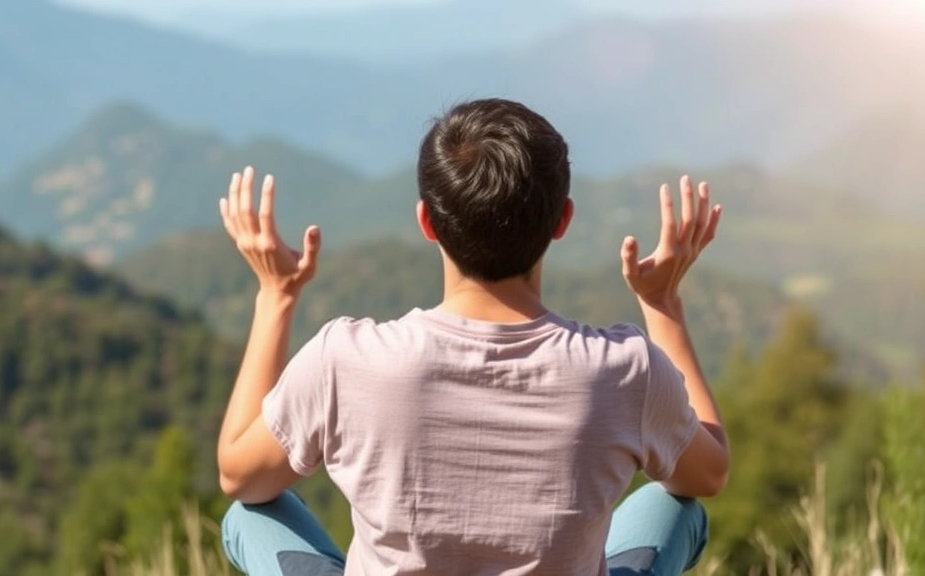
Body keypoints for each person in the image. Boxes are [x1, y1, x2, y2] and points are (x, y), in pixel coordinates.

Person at [215, 98, 730, 576]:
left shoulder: (346, 359)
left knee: (248, 515)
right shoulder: (625, 369)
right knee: (673, 503)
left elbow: (239, 477)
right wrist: (662, 305)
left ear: (427, 222)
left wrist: (276, 295)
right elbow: (707, 474)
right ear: (562, 220)